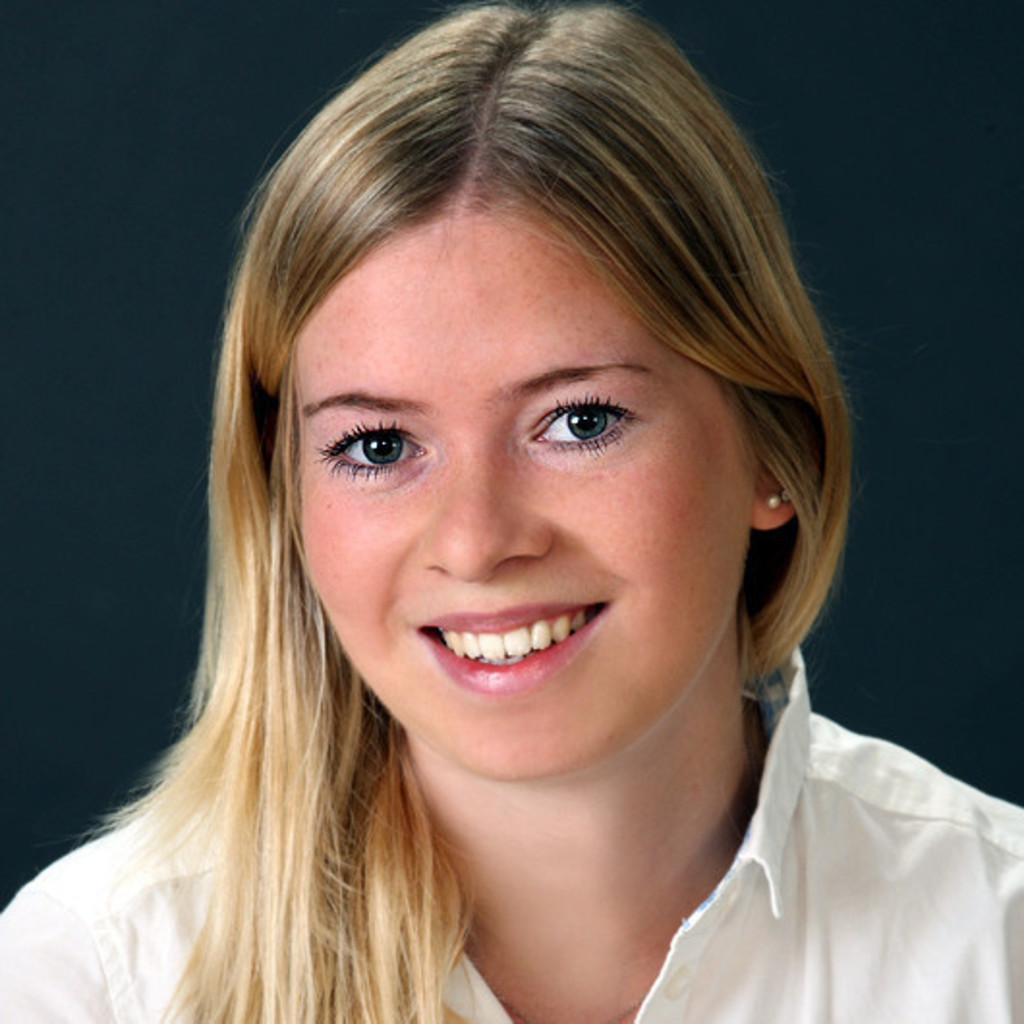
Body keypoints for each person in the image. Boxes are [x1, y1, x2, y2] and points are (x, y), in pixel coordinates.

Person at [2, 3, 1022, 1022]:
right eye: (378, 446)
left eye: (579, 422)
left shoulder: (997, 942)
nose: (476, 542)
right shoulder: (94, 983)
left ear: (774, 451)